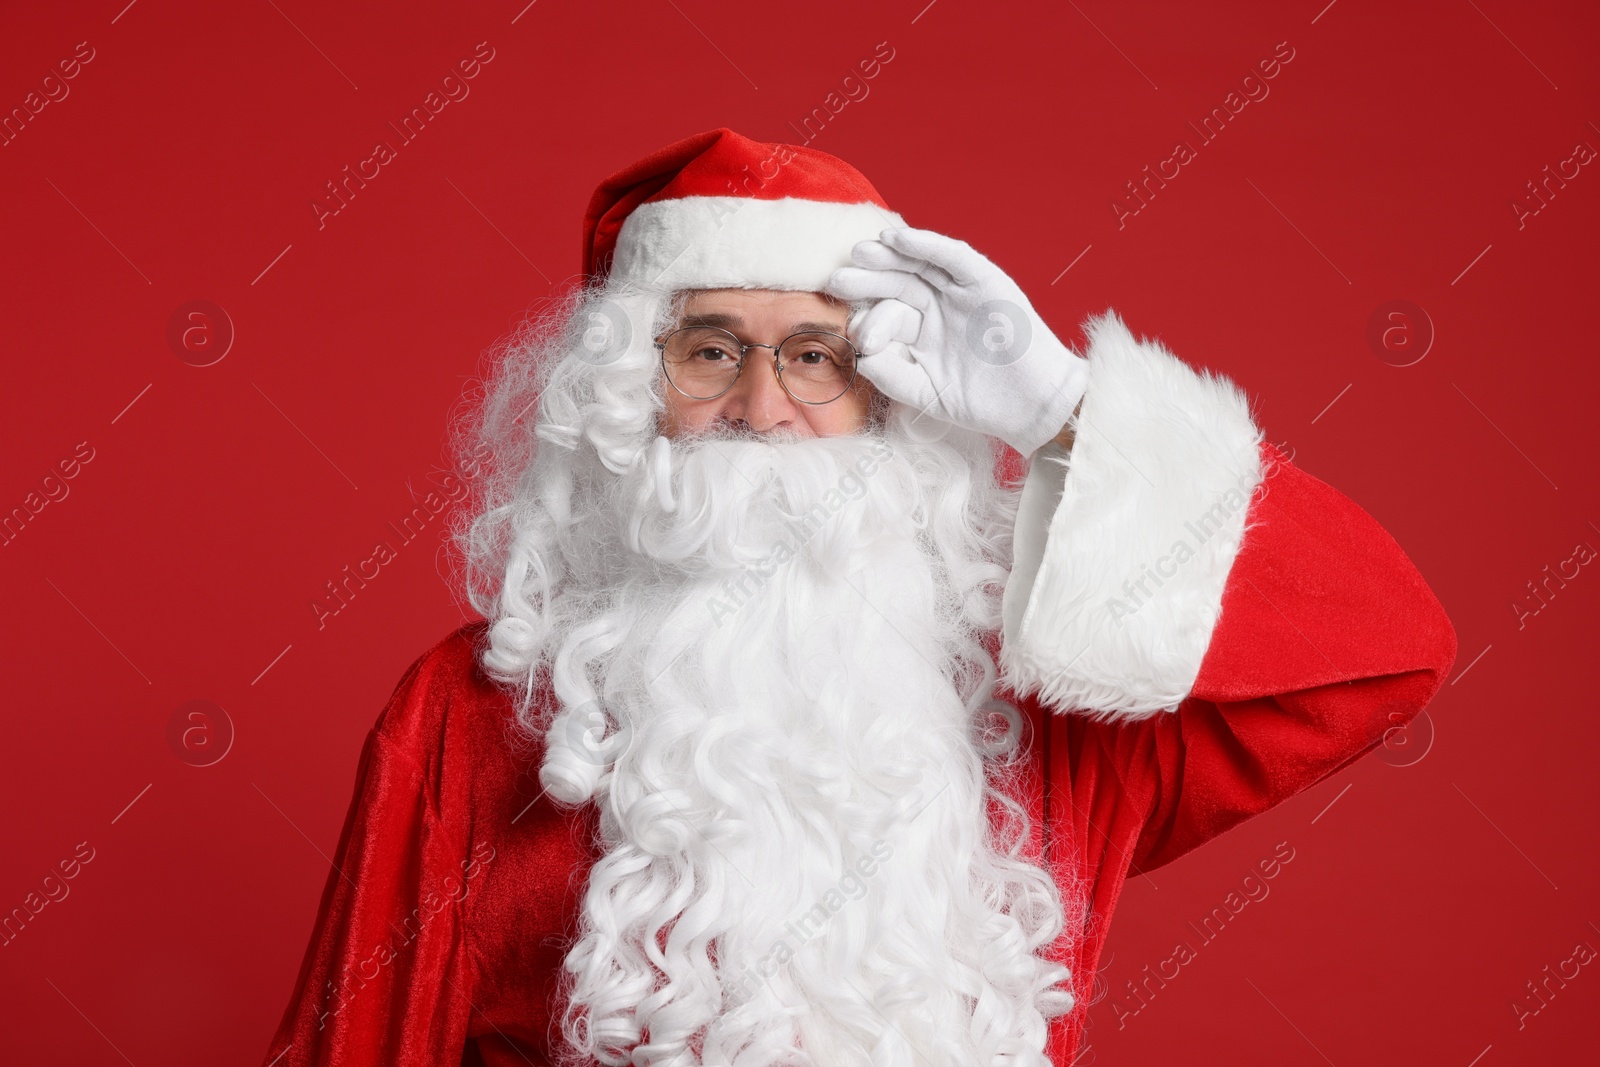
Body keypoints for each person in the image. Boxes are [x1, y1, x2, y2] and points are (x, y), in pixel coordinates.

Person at [260, 128, 1456, 1067]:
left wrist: (1064, 412)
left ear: (892, 395)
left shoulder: (1026, 704)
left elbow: (1381, 647)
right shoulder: (475, 710)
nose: (764, 408)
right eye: (712, 348)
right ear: (632, 385)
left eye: (816, 356)